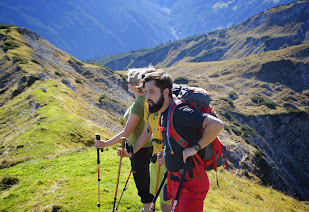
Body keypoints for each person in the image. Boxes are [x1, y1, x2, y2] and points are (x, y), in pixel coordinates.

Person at [120, 70, 224, 212]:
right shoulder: (163, 112)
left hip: (191, 184)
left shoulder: (179, 111)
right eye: (145, 92)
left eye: (151, 91)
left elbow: (217, 125)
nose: (147, 97)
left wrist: (195, 148)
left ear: (165, 92)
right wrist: (166, 154)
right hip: (175, 179)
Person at [95, 68, 154, 211]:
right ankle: (148, 207)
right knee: (143, 177)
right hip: (143, 146)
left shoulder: (140, 103)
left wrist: (104, 144)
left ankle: (148, 209)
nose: (126, 83)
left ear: (136, 84)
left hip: (140, 149)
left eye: (128, 81)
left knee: (142, 180)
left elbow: (126, 132)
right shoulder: (142, 101)